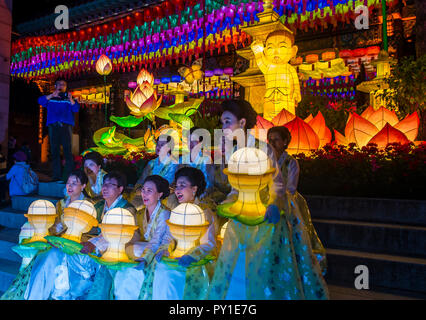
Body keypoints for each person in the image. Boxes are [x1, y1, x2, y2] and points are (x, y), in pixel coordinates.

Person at [207, 99, 328, 300]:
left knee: (264, 263)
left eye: (227, 121)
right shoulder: (231, 151)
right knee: (237, 261)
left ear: (243, 123)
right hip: (240, 212)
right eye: (222, 122)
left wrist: (272, 204)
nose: (223, 127)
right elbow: (229, 185)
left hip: (265, 212)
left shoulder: (264, 149)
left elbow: (277, 183)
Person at [146, 167, 218, 300]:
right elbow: (170, 237)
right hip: (175, 257)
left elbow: (209, 243)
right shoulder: (176, 210)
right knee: (159, 269)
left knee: (172, 277)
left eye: (182, 185)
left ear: (194, 189)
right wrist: (165, 249)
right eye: (176, 186)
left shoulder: (205, 212)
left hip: (196, 262)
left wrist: (191, 257)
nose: (177, 190)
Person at [100, 175, 173, 300]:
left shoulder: (164, 213)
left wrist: (145, 258)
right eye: (143, 190)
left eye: (149, 191)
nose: (144, 194)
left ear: (160, 194)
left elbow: (157, 239)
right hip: (138, 253)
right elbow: (133, 237)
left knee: (135, 267)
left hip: (156, 252)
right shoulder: (140, 213)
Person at [268, 126, 327, 274]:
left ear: (285, 142)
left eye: (276, 140)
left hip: (288, 201)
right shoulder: (266, 160)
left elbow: (291, 188)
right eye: (270, 140)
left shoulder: (291, 163)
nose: (272, 143)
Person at [38, 78, 80, 182]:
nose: (62, 86)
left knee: (67, 151)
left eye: (64, 85)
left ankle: (68, 176)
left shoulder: (69, 98)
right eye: (59, 84)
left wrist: (71, 99)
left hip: (66, 126)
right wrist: (51, 95)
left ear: (66, 87)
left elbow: (76, 109)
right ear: (55, 86)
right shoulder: (50, 98)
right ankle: (56, 175)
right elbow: (40, 101)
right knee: (54, 151)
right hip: (54, 126)